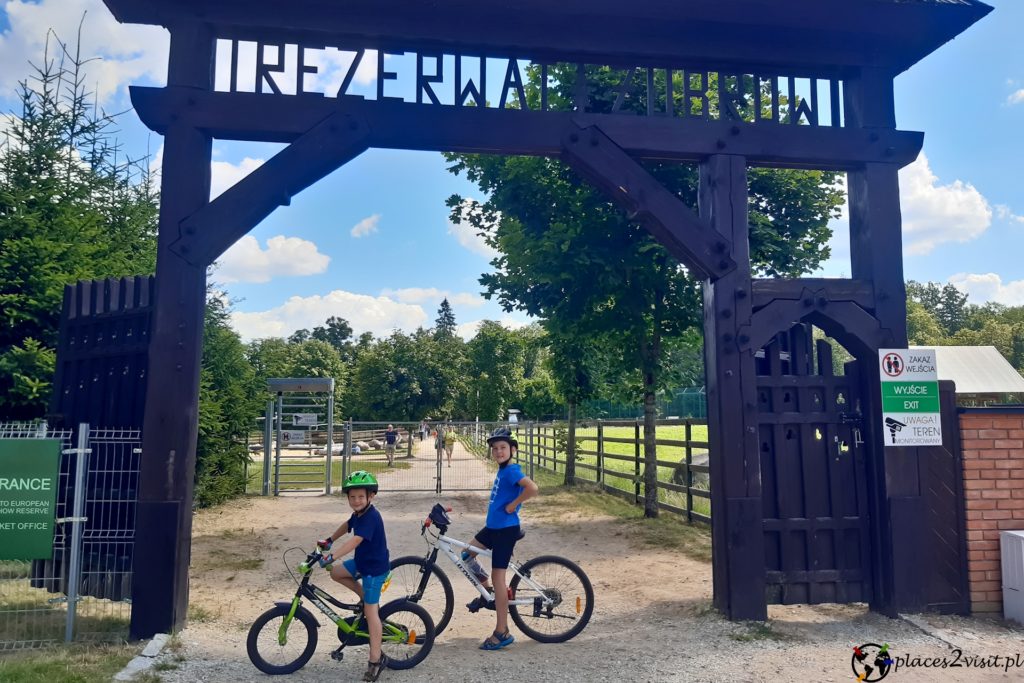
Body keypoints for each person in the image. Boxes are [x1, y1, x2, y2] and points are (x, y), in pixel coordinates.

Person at [464, 427, 538, 650]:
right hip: (492, 527)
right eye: (495, 448)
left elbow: (532, 488)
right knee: (467, 555)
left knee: (500, 578)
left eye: (503, 447)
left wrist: (514, 505)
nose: (498, 451)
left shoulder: (512, 471)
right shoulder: (502, 470)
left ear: (512, 450)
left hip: (505, 530)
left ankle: (502, 631)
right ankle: (489, 594)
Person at [317, 471, 391, 681]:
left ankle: (376, 660)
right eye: (352, 497)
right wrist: (329, 539)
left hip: (374, 570)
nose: (356, 501)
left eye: (360, 496)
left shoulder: (371, 517)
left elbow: (355, 541)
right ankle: (365, 599)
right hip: (362, 563)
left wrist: (332, 555)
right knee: (336, 573)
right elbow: (347, 526)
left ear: (370, 496)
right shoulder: (358, 514)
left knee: (371, 614)